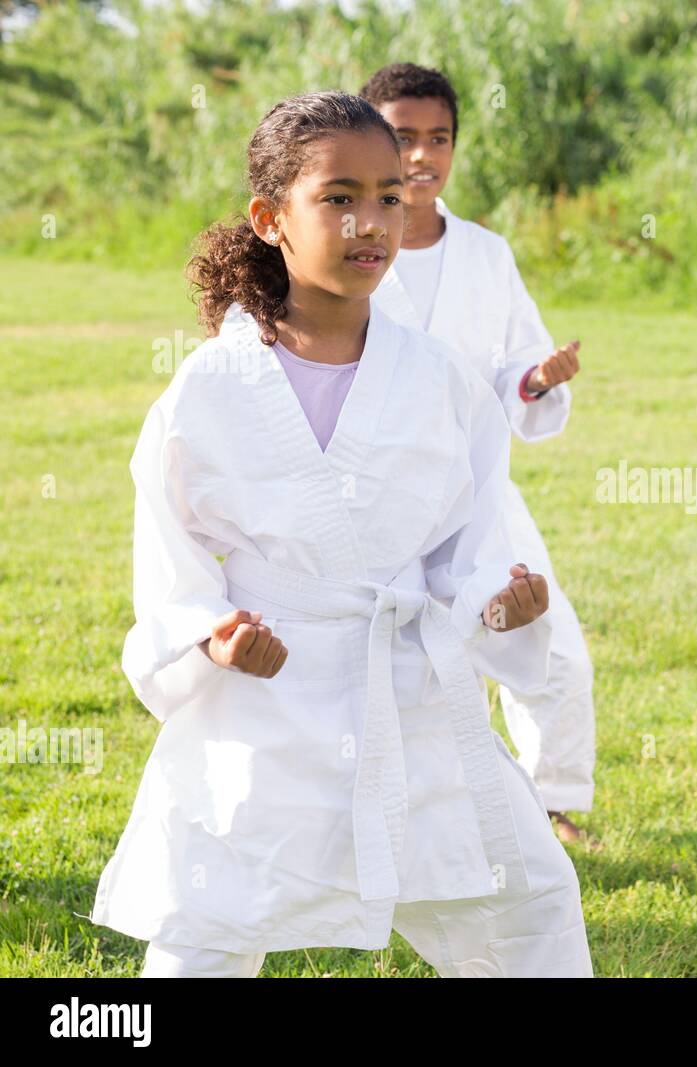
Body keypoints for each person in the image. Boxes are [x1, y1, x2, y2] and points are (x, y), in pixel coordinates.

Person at [89, 91, 592, 978]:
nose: (371, 222)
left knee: (528, 901)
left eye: (390, 197)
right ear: (270, 218)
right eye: (338, 197)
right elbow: (170, 553)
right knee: (211, 919)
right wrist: (213, 634)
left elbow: (467, 547)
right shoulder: (211, 386)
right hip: (265, 700)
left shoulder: (438, 378)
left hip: (408, 688)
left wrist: (500, 601)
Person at [362, 63, 597, 845]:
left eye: (440, 138)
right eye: (402, 137)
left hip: (476, 487)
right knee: (403, 661)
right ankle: (402, 813)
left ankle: (549, 805)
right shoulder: (351, 244)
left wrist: (535, 378)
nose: (421, 156)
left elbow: (514, 362)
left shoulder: (486, 255)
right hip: (374, 494)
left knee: (552, 646)